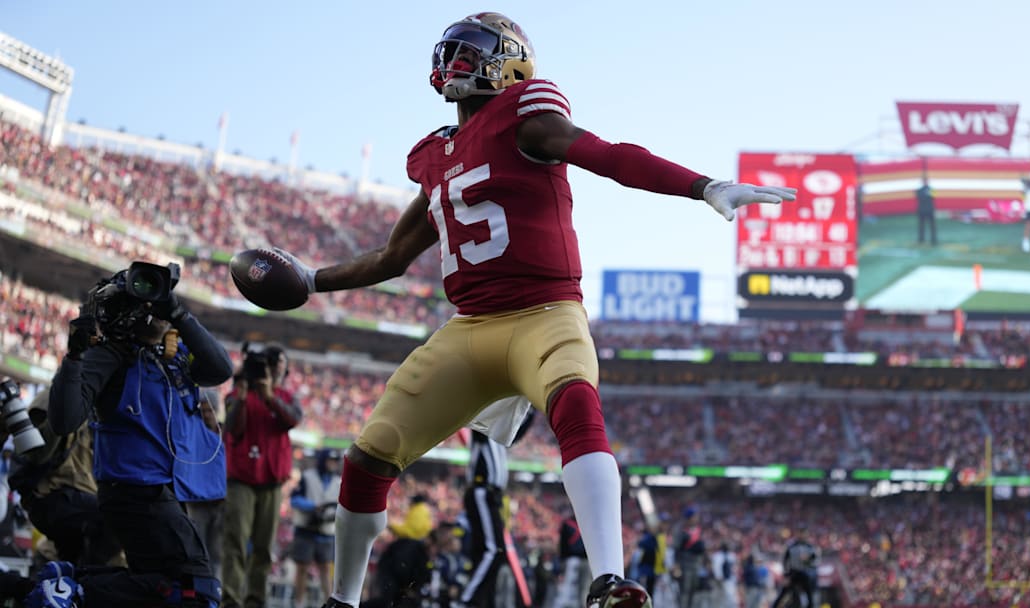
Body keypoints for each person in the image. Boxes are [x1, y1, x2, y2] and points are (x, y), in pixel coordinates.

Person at [254, 12, 794, 608]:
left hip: (546, 313)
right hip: (469, 329)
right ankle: (343, 600)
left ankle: (608, 582)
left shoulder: (527, 120)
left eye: (473, 51)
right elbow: (391, 256)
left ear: (511, 62)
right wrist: (311, 280)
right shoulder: (435, 155)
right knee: (368, 456)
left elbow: (609, 155)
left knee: (577, 406)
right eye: (452, 51)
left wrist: (702, 185)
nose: (456, 61)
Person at [47, 261, 232, 607]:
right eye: (147, 302)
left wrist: (178, 313)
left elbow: (220, 368)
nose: (156, 309)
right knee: (197, 589)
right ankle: (69, 590)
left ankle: (70, 583)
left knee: (158, 586)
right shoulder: (109, 356)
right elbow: (64, 420)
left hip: (165, 493)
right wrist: (75, 355)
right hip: (134, 493)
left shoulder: (172, 355)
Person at [221, 342, 302, 608]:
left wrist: (270, 398)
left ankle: (255, 600)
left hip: (271, 482)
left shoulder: (286, 397)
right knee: (235, 541)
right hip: (241, 478)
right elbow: (232, 427)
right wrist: (243, 397)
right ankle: (231, 600)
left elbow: (292, 420)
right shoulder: (238, 393)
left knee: (264, 548)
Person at [13, 390, 123, 568]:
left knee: (72, 564)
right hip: (52, 494)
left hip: (78, 500)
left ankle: (79, 582)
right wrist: (64, 405)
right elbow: (36, 454)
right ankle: (88, 579)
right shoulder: (56, 395)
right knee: (116, 516)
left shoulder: (98, 403)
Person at [460, 408, 534, 608]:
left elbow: (516, 432)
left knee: (487, 551)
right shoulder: (484, 428)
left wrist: (532, 411)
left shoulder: (500, 436)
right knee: (493, 550)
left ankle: (481, 601)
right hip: (482, 491)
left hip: (491, 496)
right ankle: (468, 600)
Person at [289, 448, 341, 608]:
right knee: (302, 568)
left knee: (325, 569)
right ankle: (299, 603)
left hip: (326, 531)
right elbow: (294, 499)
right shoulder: (308, 476)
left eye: (335, 461)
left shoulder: (338, 481)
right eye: (329, 460)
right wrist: (313, 506)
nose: (332, 464)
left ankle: (329, 603)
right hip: (306, 529)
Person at [184, 389, 226, 581]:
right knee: (198, 548)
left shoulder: (224, 434)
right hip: (198, 501)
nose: (207, 414)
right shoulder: (192, 433)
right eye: (204, 410)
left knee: (218, 551)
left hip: (221, 502)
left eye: (210, 410)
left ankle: (213, 589)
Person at [672, 508, 705, 608]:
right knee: (684, 591)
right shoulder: (681, 530)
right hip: (685, 566)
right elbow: (677, 550)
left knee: (694, 591)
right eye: (694, 516)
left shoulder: (698, 530)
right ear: (689, 518)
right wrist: (677, 566)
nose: (696, 518)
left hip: (696, 565)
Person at [772, 539, 818, 608]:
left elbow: (814, 560)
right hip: (793, 573)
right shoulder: (791, 546)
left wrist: (808, 559)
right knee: (783, 594)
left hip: (804, 573)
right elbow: (785, 561)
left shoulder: (809, 547)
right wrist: (786, 575)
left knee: (809, 596)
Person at [915, 177, 937, 246]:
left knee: (932, 226)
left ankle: (933, 240)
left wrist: (927, 194)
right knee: (921, 226)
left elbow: (934, 197)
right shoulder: (919, 190)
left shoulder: (932, 189)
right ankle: (921, 239)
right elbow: (919, 197)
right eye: (924, 181)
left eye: (926, 181)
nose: (925, 182)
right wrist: (926, 194)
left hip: (930, 210)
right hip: (922, 210)